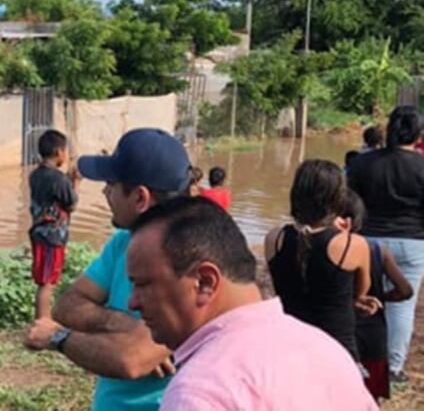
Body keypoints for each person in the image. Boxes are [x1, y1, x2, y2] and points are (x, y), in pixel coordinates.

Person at [126, 196, 378, 410]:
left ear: (205, 282)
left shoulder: (200, 392)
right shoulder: (324, 348)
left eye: (143, 285)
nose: (133, 302)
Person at [24, 128, 193, 411]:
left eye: (111, 184)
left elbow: (132, 359)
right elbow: (67, 306)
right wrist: (128, 326)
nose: (105, 191)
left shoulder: (192, 259)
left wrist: (57, 336)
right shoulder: (122, 243)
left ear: (140, 198)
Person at [265, 159, 374, 361]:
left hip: (290, 342)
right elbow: (360, 292)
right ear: (338, 197)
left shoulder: (275, 238)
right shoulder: (352, 244)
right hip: (337, 346)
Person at [346, 105, 424, 382]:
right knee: (403, 306)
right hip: (412, 243)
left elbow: (349, 204)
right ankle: (392, 368)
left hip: (368, 242)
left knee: (363, 299)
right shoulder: (421, 165)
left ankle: (358, 361)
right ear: (418, 133)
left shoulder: (363, 163)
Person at [340, 190, 414, 400]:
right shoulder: (377, 250)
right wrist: (382, 297)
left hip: (342, 332)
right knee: (368, 398)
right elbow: (406, 290)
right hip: (372, 336)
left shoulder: (328, 249)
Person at [29, 129, 79, 320]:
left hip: (39, 233)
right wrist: (76, 183)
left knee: (44, 280)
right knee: (47, 283)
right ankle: (42, 323)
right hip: (53, 237)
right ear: (59, 152)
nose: (66, 155)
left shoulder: (35, 175)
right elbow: (72, 204)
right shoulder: (59, 179)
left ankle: (42, 320)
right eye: (66, 151)